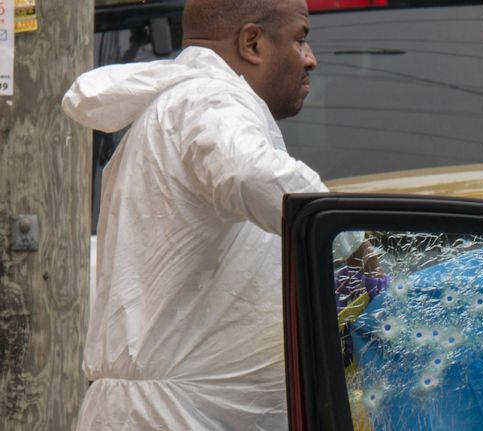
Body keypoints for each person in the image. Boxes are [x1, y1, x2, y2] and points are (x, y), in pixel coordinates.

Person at [61, 0, 377, 429]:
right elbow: (254, 174)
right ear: (252, 42)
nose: (310, 58)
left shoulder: (186, 104)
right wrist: (354, 244)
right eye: (301, 38)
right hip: (179, 419)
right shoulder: (209, 100)